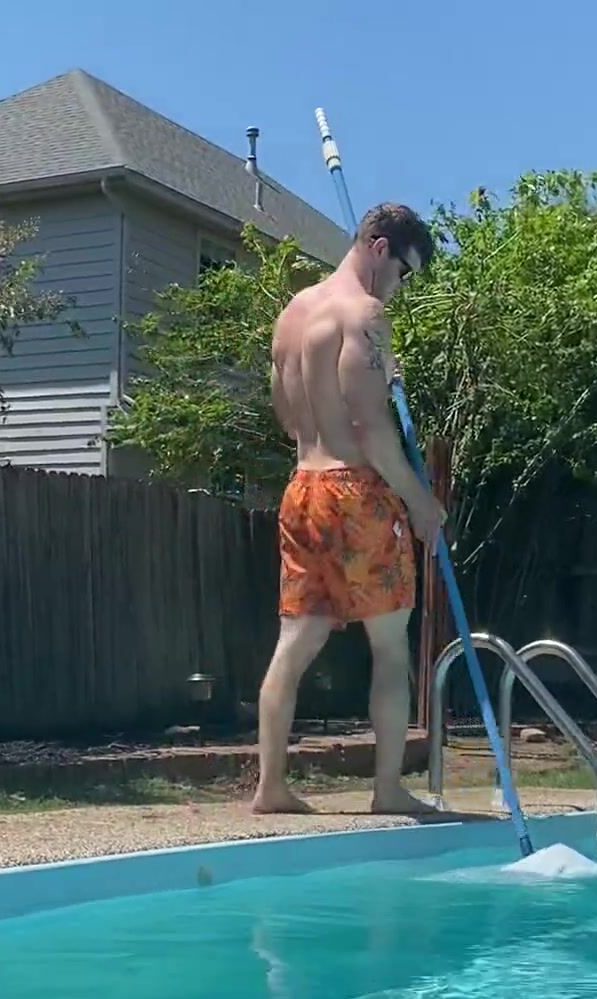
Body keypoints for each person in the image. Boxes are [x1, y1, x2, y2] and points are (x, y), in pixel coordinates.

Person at [252, 204, 447, 816]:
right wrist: (421, 503)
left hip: (303, 488)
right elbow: (371, 430)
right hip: (357, 493)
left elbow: (287, 416)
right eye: (404, 272)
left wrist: (375, 372)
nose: (400, 288)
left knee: (293, 644)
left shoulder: (293, 314)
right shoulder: (364, 315)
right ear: (380, 248)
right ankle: (387, 789)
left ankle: (271, 786)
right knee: (390, 646)